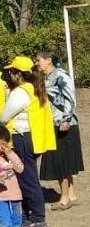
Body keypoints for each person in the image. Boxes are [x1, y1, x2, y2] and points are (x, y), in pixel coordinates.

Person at [0, 56, 57, 227]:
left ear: (18, 74)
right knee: (28, 177)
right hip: (33, 138)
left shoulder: (21, 92)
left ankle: (38, 218)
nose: (9, 74)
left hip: (22, 138)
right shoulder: (35, 88)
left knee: (27, 179)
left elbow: (3, 117)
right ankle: (29, 215)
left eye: (11, 71)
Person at [36, 51, 83, 211]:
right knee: (65, 161)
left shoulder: (60, 75)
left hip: (62, 124)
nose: (37, 63)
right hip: (55, 123)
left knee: (61, 161)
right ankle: (71, 194)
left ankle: (64, 199)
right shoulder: (48, 78)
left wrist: (65, 119)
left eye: (39, 60)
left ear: (48, 60)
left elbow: (70, 97)